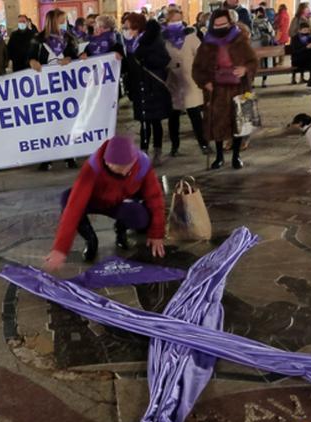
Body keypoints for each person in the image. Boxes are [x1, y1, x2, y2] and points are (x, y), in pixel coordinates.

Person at [42, 135, 166, 272]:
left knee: (141, 217)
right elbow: (74, 207)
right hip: (94, 200)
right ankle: (91, 240)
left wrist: (156, 233)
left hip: (122, 202)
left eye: (129, 166)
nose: (125, 171)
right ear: (107, 162)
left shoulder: (142, 163)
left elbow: (155, 198)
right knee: (67, 198)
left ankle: (121, 228)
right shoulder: (92, 167)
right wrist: (60, 249)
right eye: (120, 167)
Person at [192, 8, 258, 170]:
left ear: (230, 23)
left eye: (224, 24)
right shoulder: (207, 44)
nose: (220, 27)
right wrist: (204, 82)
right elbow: (197, 68)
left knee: (238, 123)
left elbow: (252, 61)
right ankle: (219, 156)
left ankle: (236, 155)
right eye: (217, 24)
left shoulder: (239, 41)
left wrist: (245, 70)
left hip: (238, 88)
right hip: (216, 90)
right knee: (218, 124)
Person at [28, 8, 80, 171]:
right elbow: (29, 56)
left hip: (66, 86)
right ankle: (47, 157)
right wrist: (32, 62)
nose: (65, 24)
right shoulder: (38, 39)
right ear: (53, 21)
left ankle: (69, 155)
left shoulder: (69, 38)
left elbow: (77, 57)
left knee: (66, 121)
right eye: (62, 21)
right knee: (47, 122)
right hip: (44, 87)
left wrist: (70, 59)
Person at [122, 12, 172, 166]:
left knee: (155, 121)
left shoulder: (152, 40)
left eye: (128, 27)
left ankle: (157, 152)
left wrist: (145, 58)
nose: (126, 30)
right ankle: (143, 152)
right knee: (143, 122)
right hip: (139, 87)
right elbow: (129, 67)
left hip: (153, 86)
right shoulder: (129, 44)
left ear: (137, 26)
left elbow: (164, 60)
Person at [163, 8, 209, 156]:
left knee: (195, 115)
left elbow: (202, 56)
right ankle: (174, 146)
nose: (175, 23)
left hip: (190, 81)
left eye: (178, 20)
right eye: (172, 20)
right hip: (173, 81)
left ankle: (203, 144)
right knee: (173, 117)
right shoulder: (163, 39)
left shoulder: (191, 36)